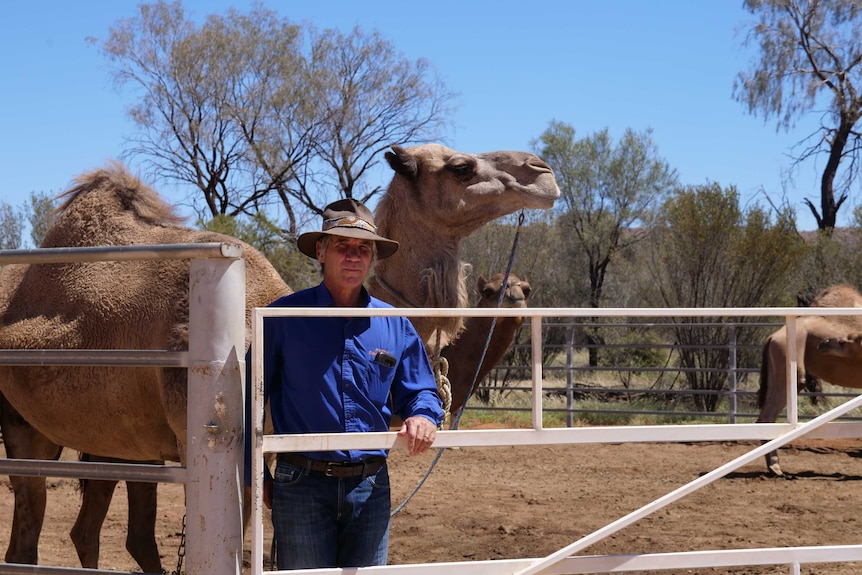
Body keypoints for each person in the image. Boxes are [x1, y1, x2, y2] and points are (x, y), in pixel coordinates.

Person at [245, 198, 444, 570]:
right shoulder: (282, 318)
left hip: (371, 483)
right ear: (320, 251)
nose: (354, 256)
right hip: (301, 481)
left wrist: (424, 416)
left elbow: (420, 390)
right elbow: (248, 399)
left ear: (372, 258)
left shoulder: (394, 322)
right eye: (342, 246)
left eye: (363, 248)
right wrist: (254, 473)